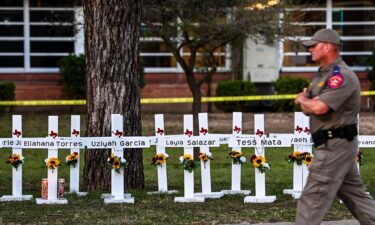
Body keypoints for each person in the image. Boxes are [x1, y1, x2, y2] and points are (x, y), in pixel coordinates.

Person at [294, 28, 375, 225]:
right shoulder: (324, 74)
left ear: (328, 46)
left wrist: (303, 99)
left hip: (335, 145)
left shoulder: (341, 76)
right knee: (356, 197)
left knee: (313, 198)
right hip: (335, 144)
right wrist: (307, 102)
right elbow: (309, 109)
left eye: (314, 45)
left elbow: (319, 107)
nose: (310, 49)